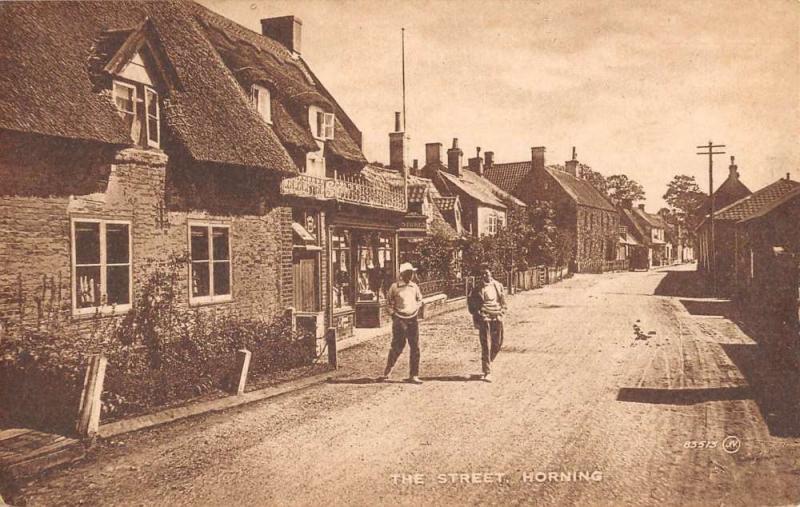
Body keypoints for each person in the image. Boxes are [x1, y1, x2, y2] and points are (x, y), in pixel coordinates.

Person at [380, 262, 424, 384]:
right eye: (408, 273)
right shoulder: (395, 287)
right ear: (402, 274)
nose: (410, 276)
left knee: (415, 347)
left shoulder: (414, 287)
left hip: (412, 319)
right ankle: (387, 371)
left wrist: (416, 308)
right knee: (397, 346)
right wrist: (393, 315)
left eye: (411, 273)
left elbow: (420, 299)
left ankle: (414, 375)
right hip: (399, 319)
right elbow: (388, 303)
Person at [467, 265, 507, 382]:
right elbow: (471, 304)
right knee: (485, 345)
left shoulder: (498, 286)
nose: (485, 276)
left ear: (491, 273)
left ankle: (488, 361)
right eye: (483, 274)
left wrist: (501, 313)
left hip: (496, 317)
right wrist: (478, 314)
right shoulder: (477, 289)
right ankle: (487, 371)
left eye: (487, 273)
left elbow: (503, 302)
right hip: (484, 318)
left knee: (497, 343)